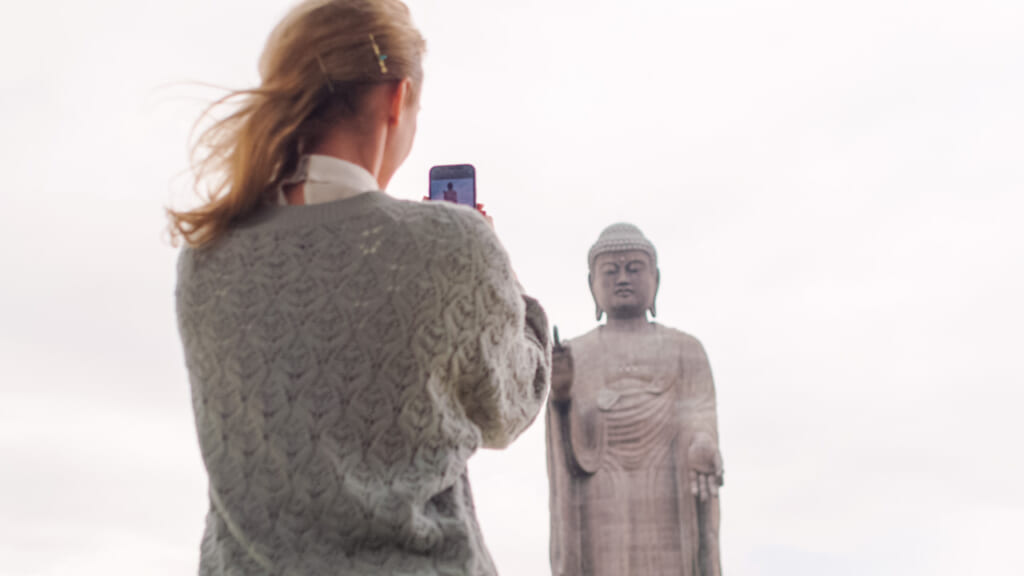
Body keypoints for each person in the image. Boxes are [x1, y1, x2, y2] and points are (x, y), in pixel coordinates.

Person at [168, 1, 551, 574]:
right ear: (397, 99)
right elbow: (511, 407)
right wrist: (504, 281)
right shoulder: (451, 246)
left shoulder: (205, 257)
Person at [546, 223, 724, 576]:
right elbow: (569, 447)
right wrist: (561, 397)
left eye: (634, 269)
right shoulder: (575, 354)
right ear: (592, 284)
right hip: (600, 488)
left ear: (656, 278)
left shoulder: (686, 349)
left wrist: (703, 442)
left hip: (668, 484)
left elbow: (699, 411)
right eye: (611, 271)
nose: (623, 279)